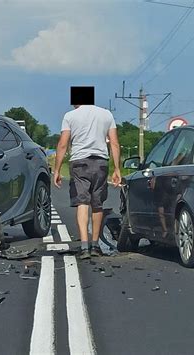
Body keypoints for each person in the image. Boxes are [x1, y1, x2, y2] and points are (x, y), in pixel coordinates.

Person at [54, 87, 121, 260]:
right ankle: (95, 245)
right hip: (101, 163)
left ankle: (84, 246)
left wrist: (56, 170)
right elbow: (114, 143)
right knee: (97, 204)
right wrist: (117, 169)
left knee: (82, 202)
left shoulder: (70, 116)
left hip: (79, 163)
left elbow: (63, 144)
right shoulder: (106, 115)